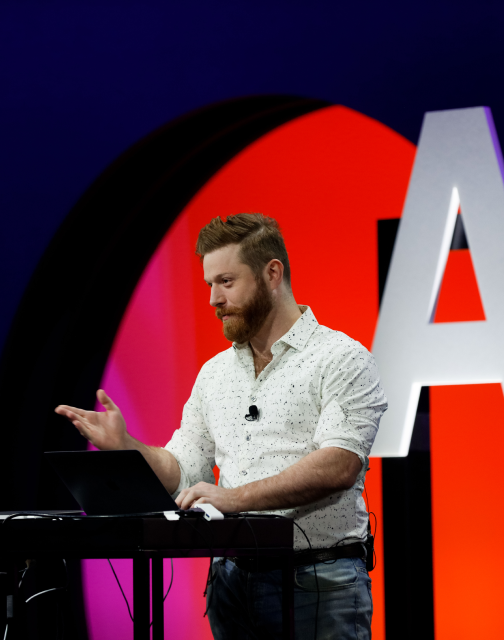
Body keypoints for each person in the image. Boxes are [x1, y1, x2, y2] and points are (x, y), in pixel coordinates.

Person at [55, 213, 387, 639]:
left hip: (317, 583)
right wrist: (127, 447)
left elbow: (339, 464)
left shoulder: (340, 358)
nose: (213, 298)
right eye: (209, 284)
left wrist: (231, 498)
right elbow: (184, 468)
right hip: (230, 584)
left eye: (226, 282)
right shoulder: (214, 374)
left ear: (272, 273)